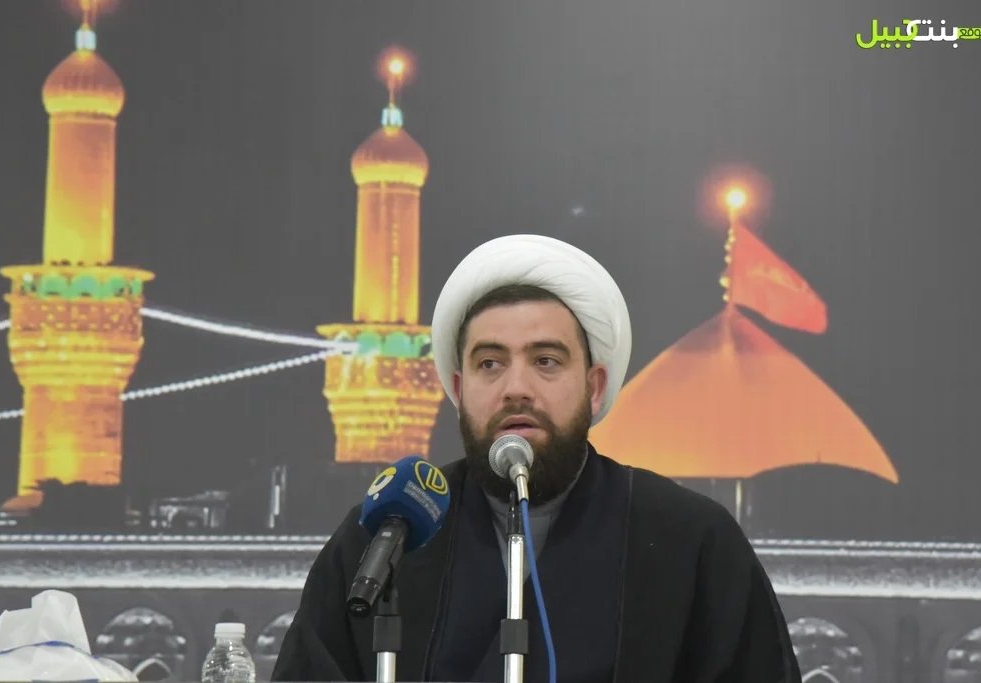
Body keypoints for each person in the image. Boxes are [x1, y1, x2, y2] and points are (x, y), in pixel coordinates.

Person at [273, 234, 802, 682]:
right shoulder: (388, 534)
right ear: (459, 387)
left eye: (546, 361)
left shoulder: (690, 540)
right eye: (489, 363)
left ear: (594, 387)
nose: (516, 388)